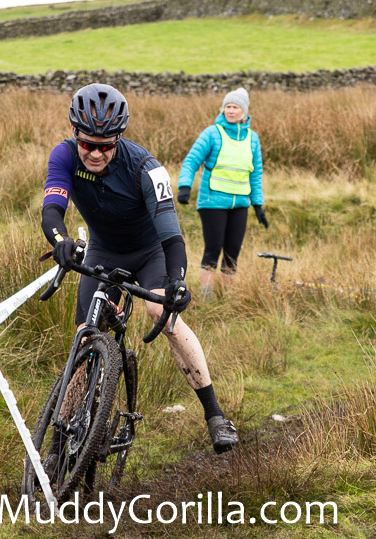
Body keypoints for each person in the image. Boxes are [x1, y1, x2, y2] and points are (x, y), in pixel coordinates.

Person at [40, 83, 239, 454]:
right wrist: (61, 240)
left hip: (151, 252)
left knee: (161, 314)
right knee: (85, 336)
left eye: (105, 146)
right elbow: (52, 208)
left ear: (118, 139)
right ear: (74, 134)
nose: (95, 153)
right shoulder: (63, 155)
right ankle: (56, 448)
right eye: (87, 144)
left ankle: (215, 415)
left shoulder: (146, 168)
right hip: (104, 251)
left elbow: (172, 239)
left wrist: (177, 282)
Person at [176, 87, 267, 300]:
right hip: (212, 201)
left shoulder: (253, 139)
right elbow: (191, 160)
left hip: (240, 203)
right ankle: (207, 298)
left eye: (235, 107)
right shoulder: (212, 133)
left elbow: (256, 173)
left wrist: (258, 205)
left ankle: (228, 298)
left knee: (232, 253)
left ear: (244, 112)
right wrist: (185, 186)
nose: (231, 111)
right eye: (228, 106)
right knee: (213, 250)